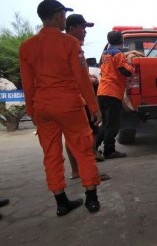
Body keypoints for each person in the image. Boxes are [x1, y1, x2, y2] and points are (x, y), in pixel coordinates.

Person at [19, 0, 102, 216]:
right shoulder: (70, 44)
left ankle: (61, 202)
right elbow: (83, 79)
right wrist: (94, 107)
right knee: (83, 149)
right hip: (69, 106)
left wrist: (32, 110)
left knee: (51, 154)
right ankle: (91, 197)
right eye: (64, 15)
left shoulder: (27, 46)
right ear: (57, 16)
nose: (65, 18)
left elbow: (27, 84)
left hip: (43, 107)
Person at [65, 13, 111, 181]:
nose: (85, 31)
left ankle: (76, 171)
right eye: (82, 27)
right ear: (71, 28)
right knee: (88, 135)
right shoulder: (73, 47)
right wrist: (94, 107)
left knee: (71, 137)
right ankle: (90, 174)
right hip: (77, 99)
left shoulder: (60, 45)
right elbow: (82, 80)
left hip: (64, 100)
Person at [96, 31, 134, 159]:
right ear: (121, 41)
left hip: (102, 92)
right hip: (112, 93)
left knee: (106, 123)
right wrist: (131, 64)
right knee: (113, 125)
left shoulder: (106, 54)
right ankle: (109, 150)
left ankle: (93, 147)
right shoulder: (117, 54)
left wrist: (126, 55)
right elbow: (126, 71)